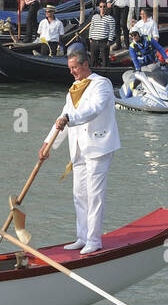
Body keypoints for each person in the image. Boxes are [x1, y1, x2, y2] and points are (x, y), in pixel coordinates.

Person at [38, 49, 120, 255]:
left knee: (94, 194)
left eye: (74, 68)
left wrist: (70, 119)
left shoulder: (101, 84)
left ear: (85, 65)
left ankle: (94, 239)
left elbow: (94, 109)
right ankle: (82, 236)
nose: (72, 72)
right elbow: (62, 117)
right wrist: (48, 144)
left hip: (98, 146)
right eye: (70, 69)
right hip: (78, 148)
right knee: (79, 194)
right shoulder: (73, 88)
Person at [86, 0, 116, 68]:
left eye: (104, 6)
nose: (102, 8)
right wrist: (90, 38)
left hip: (104, 42)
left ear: (106, 7)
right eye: (101, 6)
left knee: (105, 60)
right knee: (93, 61)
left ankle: (105, 75)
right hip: (93, 41)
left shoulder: (110, 18)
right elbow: (91, 27)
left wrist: (109, 41)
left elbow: (112, 30)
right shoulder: (94, 17)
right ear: (99, 7)